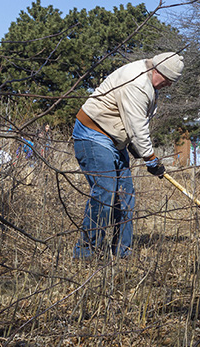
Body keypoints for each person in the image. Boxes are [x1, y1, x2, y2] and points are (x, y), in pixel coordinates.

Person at [73, 52, 184, 259]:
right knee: (105, 192)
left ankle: (122, 254)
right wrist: (150, 159)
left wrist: (134, 147)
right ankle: (85, 255)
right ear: (158, 70)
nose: (168, 85)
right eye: (168, 80)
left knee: (125, 197)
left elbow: (133, 121)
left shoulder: (150, 82)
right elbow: (137, 126)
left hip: (115, 141)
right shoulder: (138, 83)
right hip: (93, 134)